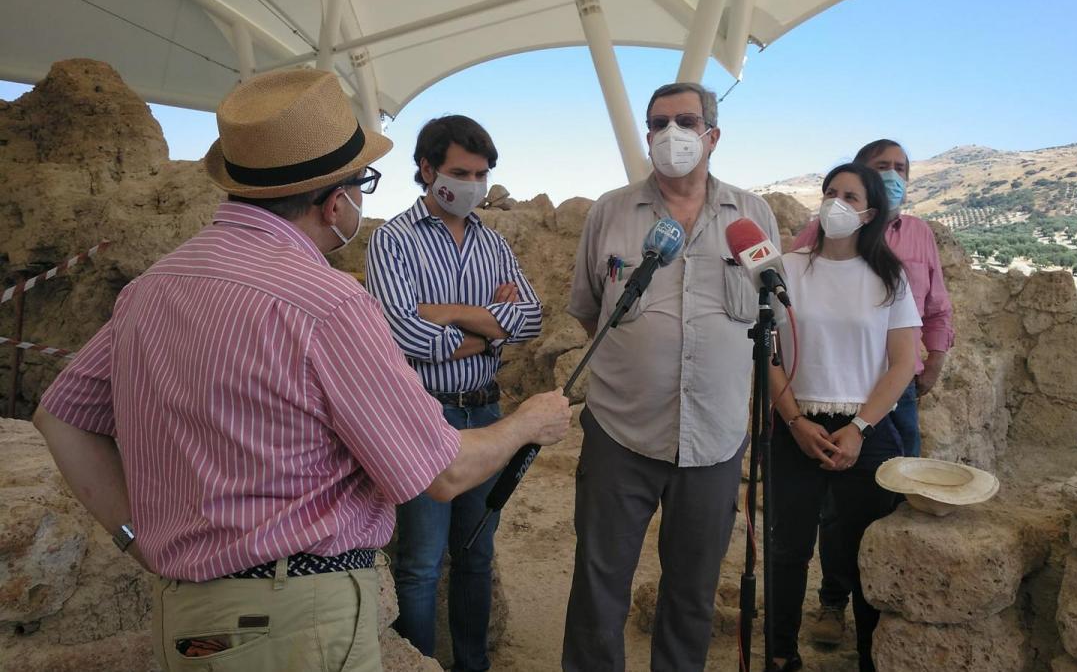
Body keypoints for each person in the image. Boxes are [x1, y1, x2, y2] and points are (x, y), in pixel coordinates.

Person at [32, 69, 570, 672]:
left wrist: (135, 537)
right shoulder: (326, 303)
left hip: (185, 618)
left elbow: (59, 417)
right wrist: (527, 422)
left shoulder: (151, 289)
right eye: (362, 183)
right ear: (334, 200)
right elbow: (442, 472)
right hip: (298, 621)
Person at [563, 82, 780, 671]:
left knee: (692, 594)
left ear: (713, 134)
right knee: (598, 586)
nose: (670, 135)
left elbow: (771, 312)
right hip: (620, 433)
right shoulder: (610, 212)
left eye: (685, 121)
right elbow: (589, 311)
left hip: (714, 439)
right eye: (658, 123)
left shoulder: (752, 215)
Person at [366, 115, 543, 672]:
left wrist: (454, 318)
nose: (473, 184)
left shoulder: (493, 242)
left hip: (484, 412)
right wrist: (491, 327)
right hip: (422, 417)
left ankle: (473, 665)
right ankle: (418, 665)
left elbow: (532, 318)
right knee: (419, 562)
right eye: (461, 172)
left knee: (474, 553)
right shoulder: (392, 240)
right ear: (426, 169)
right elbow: (401, 332)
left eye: (482, 173)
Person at [792, 139, 955, 644]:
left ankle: (882, 614)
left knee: (890, 498)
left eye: (900, 168)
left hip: (895, 391)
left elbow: (938, 304)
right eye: (881, 167)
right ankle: (833, 603)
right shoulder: (818, 231)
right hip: (833, 392)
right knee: (833, 507)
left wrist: (934, 364)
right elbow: (796, 294)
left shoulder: (919, 234)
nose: (892, 175)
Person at [767, 162, 920, 672]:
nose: (836, 203)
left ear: (870, 212)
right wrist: (793, 421)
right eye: (830, 192)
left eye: (850, 197)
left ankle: (871, 657)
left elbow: (903, 363)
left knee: (864, 553)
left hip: (865, 431)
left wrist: (858, 429)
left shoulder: (889, 278)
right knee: (787, 550)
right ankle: (782, 654)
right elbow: (766, 354)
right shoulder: (787, 269)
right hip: (796, 425)